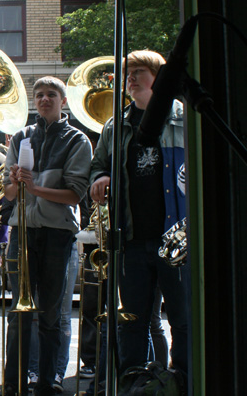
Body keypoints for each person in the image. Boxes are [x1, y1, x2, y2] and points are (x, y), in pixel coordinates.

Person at [89, 50, 189, 393]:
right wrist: (99, 178)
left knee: (183, 323)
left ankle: (185, 385)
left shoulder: (183, 118)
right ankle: (134, 387)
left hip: (177, 243)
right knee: (132, 324)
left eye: (139, 71)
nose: (130, 77)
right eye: (127, 72)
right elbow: (97, 165)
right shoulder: (116, 125)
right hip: (132, 240)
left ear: (158, 77)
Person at [2, 76, 92, 396]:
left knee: (51, 314)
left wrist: (35, 188)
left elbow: (76, 194)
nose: (43, 100)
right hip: (23, 232)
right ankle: (14, 379)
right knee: (19, 312)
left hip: (57, 234)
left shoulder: (77, 140)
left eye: (50, 95)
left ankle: (49, 379)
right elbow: (9, 193)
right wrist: (13, 181)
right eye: (38, 95)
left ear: (62, 101)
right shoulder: (22, 136)